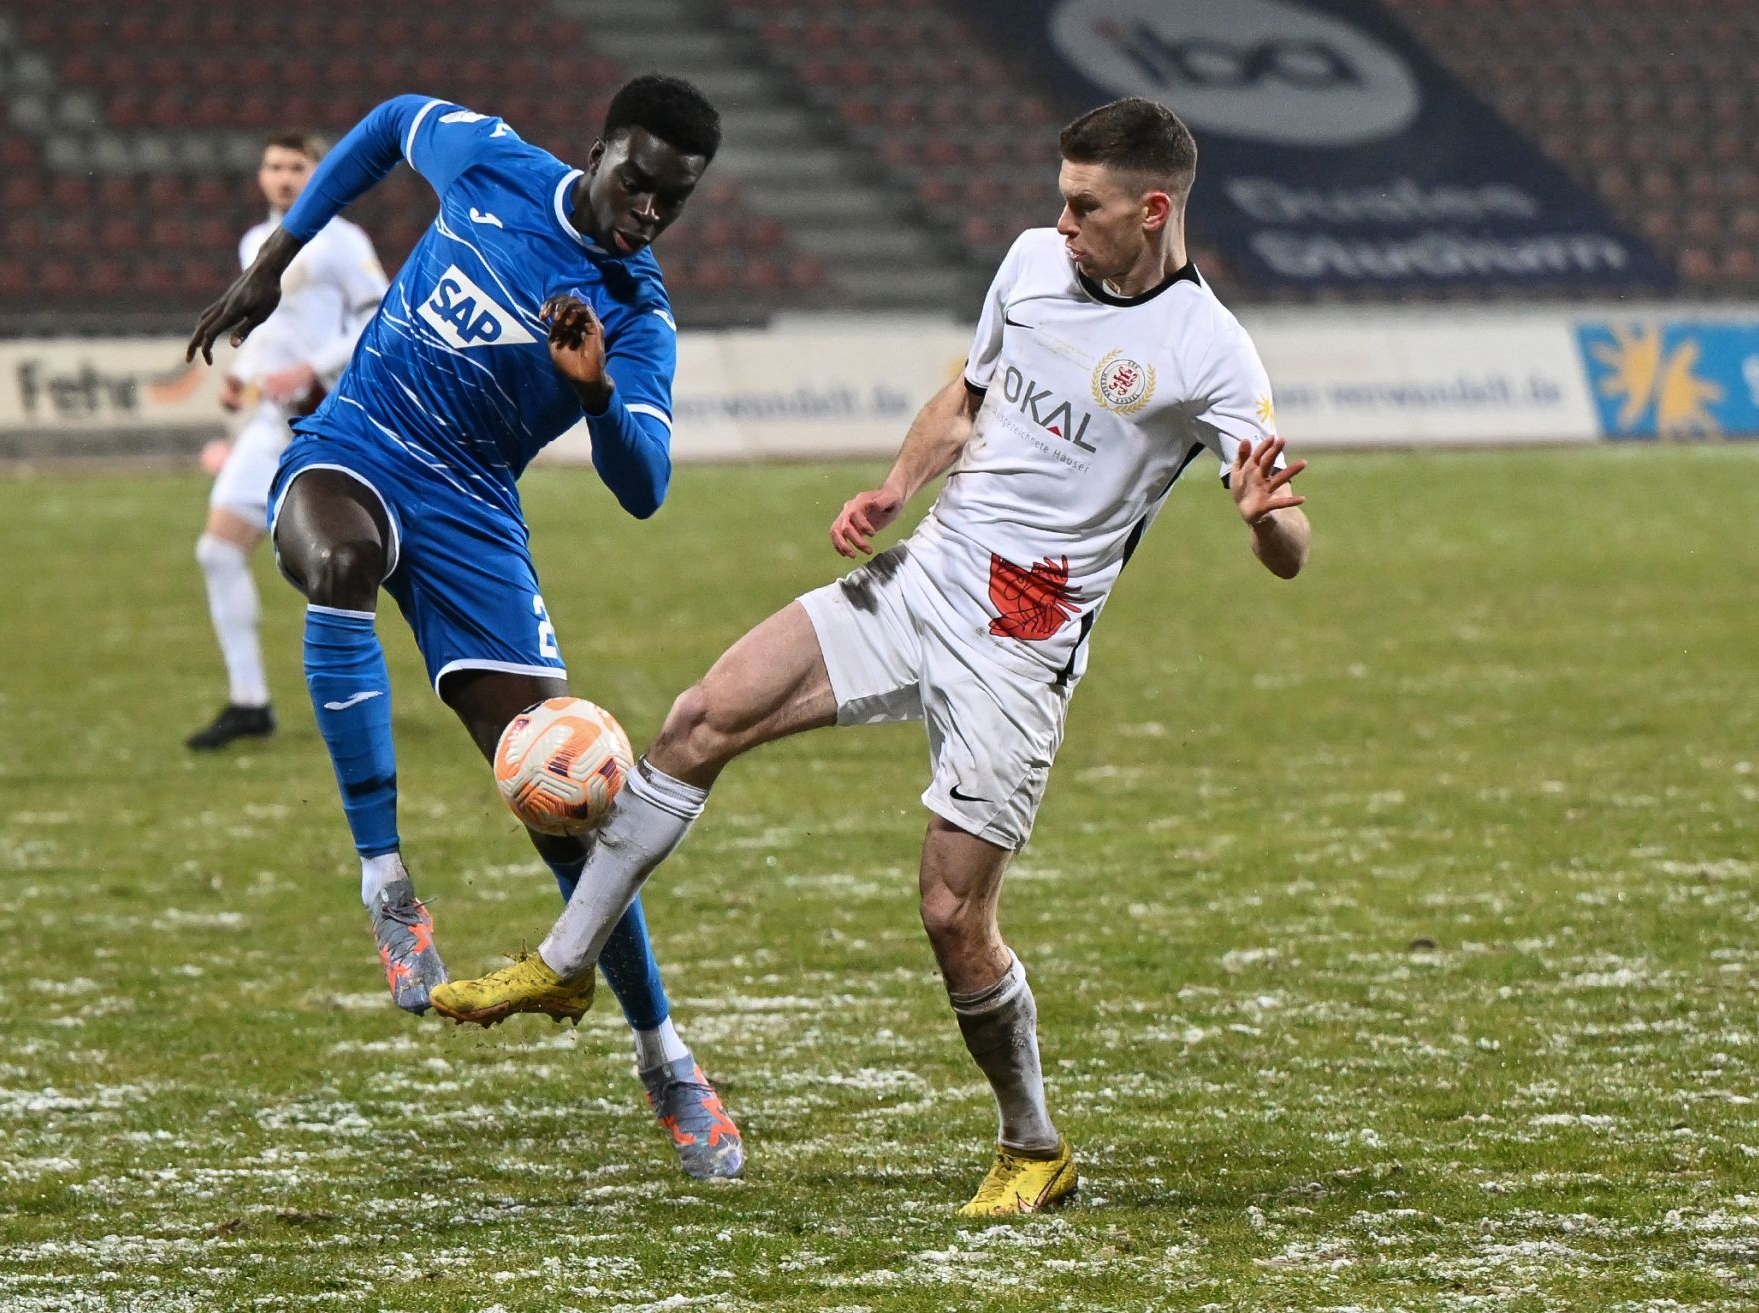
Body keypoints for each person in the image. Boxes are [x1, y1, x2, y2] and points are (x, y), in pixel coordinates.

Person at [431, 98, 1312, 1215]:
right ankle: (563, 964)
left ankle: (1033, 1143)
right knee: (701, 717)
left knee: (954, 914)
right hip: (926, 576)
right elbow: (971, 394)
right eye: (1060, 196)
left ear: (1153, 210)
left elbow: (1289, 545)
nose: (1062, 218)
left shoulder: (1209, 351)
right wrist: (899, 485)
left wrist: (1261, 517)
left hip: (1021, 645)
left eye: (1086, 204)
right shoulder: (1035, 263)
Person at [185, 77, 743, 1179]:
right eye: (635, 184)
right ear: (599, 152)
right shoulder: (494, 164)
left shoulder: (634, 311)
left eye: (669, 203)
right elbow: (391, 119)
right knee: (337, 560)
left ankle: (665, 1057)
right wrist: (275, 257)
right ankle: (388, 883)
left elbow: (646, 486)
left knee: (570, 807)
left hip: (474, 511)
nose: (644, 214)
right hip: (360, 439)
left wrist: (592, 395)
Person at [188, 131, 388, 752]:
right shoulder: (258, 242)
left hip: (329, 422)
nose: (282, 177)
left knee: (364, 569)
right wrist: (241, 379)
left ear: (320, 174)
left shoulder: (342, 241)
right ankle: (250, 702)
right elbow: (269, 330)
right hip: (272, 425)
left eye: (296, 167)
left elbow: (377, 318)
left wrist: (313, 367)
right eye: (273, 166)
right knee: (217, 553)